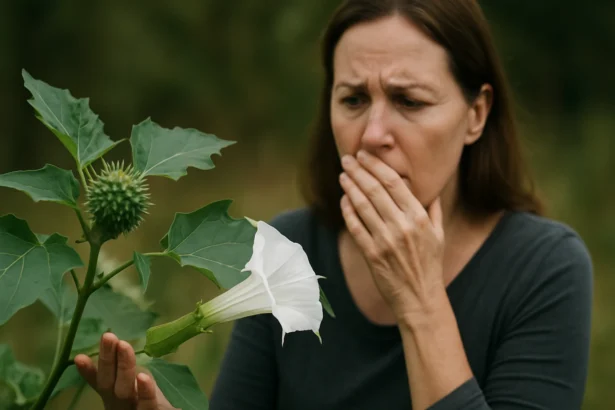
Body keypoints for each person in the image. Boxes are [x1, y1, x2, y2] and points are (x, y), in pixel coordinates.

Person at [75, 0, 594, 409]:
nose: (372, 134)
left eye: (409, 101)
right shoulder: (290, 248)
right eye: (353, 100)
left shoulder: (543, 268)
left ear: (476, 114)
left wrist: (420, 300)